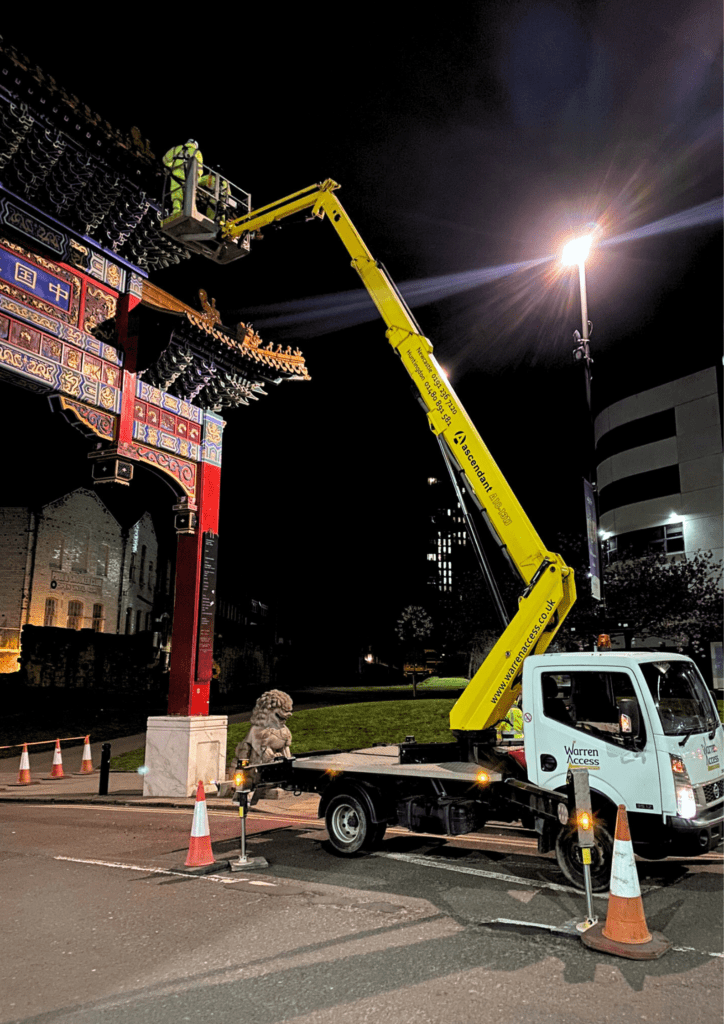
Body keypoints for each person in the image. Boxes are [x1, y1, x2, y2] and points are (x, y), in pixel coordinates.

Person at [162, 139, 203, 217]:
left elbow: (165, 160)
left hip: (175, 177)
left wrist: (172, 167)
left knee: (176, 197)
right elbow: (199, 170)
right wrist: (197, 181)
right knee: (190, 198)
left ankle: (176, 213)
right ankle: (193, 214)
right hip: (189, 179)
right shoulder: (197, 152)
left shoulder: (177, 148)